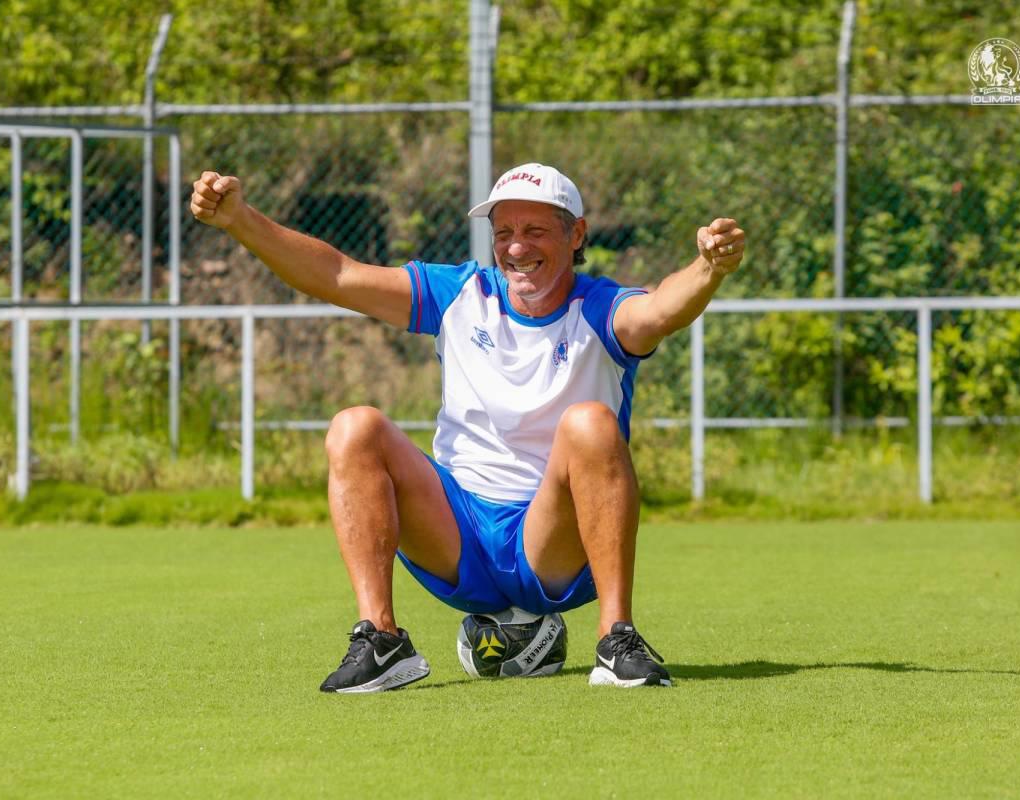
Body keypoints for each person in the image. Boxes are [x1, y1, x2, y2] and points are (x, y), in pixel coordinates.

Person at [190, 162, 745, 693]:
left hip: (553, 546)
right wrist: (240, 219)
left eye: (534, 230)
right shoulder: (459, 293)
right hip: (457, 541)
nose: (517, 247)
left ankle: (615, 638)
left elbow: (659, 311)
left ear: (576, 234)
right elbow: (337, 275)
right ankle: (382, 640)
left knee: (591, 423)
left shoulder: (600, 308)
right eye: (503, 231)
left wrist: (708, 268)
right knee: (354, 427)